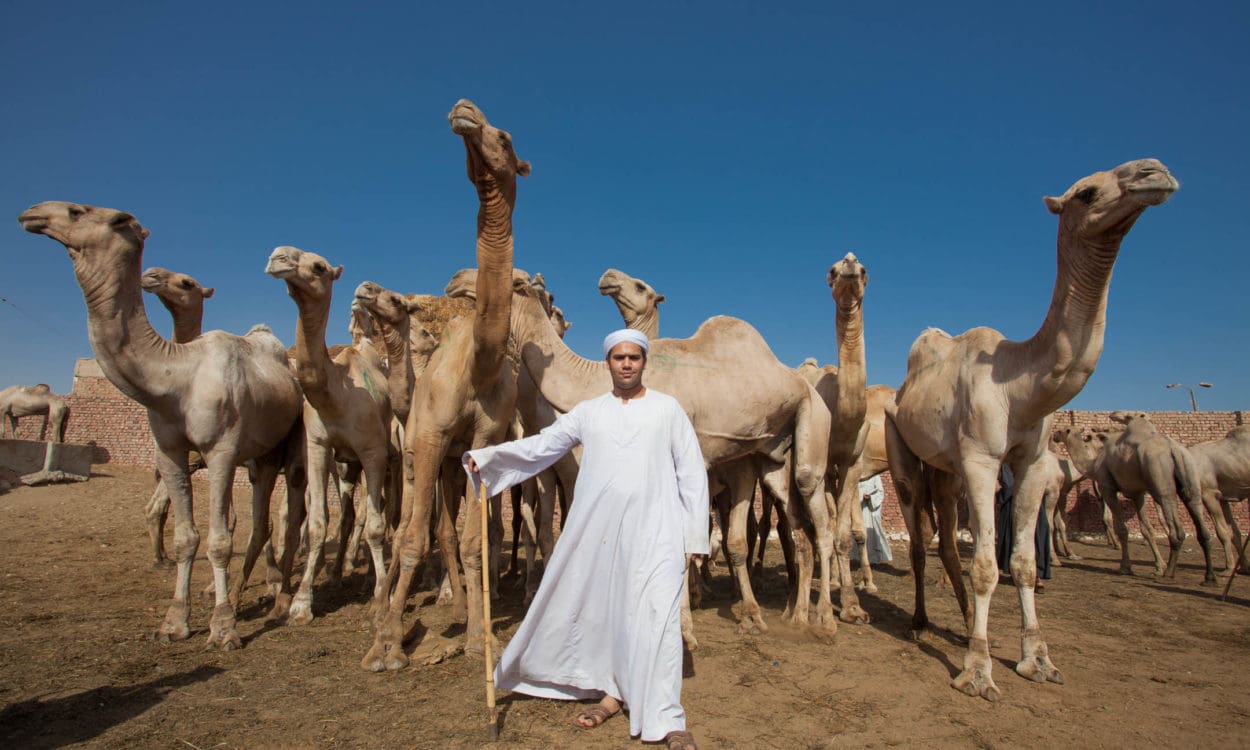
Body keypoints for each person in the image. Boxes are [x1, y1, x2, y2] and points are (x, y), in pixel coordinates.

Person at [464, 328, 708, 750]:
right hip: (600, 536)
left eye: (634, 357)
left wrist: (694, 536)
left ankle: (668, 718)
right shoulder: (588, 412)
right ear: (608, 363)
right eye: (619, 358)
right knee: (608, 616)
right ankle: (613, 695)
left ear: (644, 362)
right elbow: (543, 446)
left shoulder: (668, 410)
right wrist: (488, 459)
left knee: (661, 623)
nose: (627, 364)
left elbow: (691, 471)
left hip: (659, 535)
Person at [994, 464, 1052, 592]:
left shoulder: (1009, 462)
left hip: (1016, 503)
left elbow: (1009, 486)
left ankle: (1032, 576)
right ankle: (1036, 576)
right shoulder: (1035, 461)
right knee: (1037, 536)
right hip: (1035, 502)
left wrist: (999, 495)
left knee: (1017, 538)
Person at [851, 474, 893, 565]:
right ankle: (856, 557)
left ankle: (873, 558)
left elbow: (880, 492)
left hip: (870, 510)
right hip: (858, 509)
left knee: (871, 534)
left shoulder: (875, 476)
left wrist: (871, 498)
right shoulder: (856, 475)